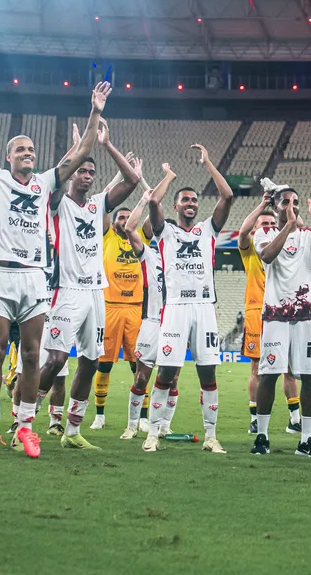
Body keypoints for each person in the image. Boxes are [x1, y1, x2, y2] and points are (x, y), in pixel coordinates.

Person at [0, 64, 106, 458]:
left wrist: (95, 110)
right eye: (20, 150)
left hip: (36, 280)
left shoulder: (45, 183)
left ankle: (25, 426)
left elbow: (85, 151)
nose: (28, 153)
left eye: (31, 150)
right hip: (2, 275)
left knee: (32, 356)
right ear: (6, 157)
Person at [34, 120, 139, 449]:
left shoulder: (96, 206)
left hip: (96, 292)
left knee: (91, 362)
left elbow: (132, 180)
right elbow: (57, 177)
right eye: (82, 170)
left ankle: (73, 430)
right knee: (55, 360)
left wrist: (106, 146)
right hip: (65, 290)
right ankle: (24, 416)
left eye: (92, 171)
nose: (88, 175)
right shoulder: (56, 204)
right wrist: (77, 152)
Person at [143, 144, 234, 454]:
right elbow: (153, 200)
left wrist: (208, 163)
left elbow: (227, 197)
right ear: (177, 205)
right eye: (186, 200)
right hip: (176, 308)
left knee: (207, 373)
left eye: (195, 200)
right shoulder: (164, 232)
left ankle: (211, 436)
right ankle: (153, 432)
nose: (192, 203)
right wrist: (169, 176)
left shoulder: (208, 229)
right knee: (166, 372)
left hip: (205, 308)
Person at [250, 186, 311, 458]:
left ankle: (306, 440)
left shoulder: (309, 235)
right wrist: (287, 226)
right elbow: (267, 256)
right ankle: (262, 436)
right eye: (286, 202)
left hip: (306, 315)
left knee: (310, 378)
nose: (292, 205)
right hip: (275, 315)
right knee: (269, 375)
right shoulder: (264, 233)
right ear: (275, 207)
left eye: (296, 202)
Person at [121, 168, 181, 440]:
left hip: (176, 321)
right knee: (141, 378)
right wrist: (144, 200)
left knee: (174, 378)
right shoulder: (149, 254)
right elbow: (129, 228)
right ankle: (132, 425)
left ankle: (165, 425)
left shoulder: (182, 256)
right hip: (151, 322)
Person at [236, 192, 302, 435]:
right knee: (257, 369)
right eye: (264, 224)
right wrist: (263, 204)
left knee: (290, 368)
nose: (270, 227)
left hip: (283, 310)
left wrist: (288, 212)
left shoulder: (283, 244)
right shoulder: (250, 248)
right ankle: (255, 418)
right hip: (257, 311)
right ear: (256, 228)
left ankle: (295, 420)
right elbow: (242, 233)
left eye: (272, 224)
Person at [91, 151, 146, 430]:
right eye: (120, 216)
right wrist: (119, 174)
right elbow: (102, 199)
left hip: (135, 308)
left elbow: (151, 203)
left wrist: (142, 179)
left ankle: (143, 418)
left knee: (139, 365)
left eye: (129, 216)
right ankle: (100, 415)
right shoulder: (107, 235)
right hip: (109, 306)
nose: (125, 220)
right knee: (104, 365)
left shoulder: (139, 237)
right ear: (114, 221)